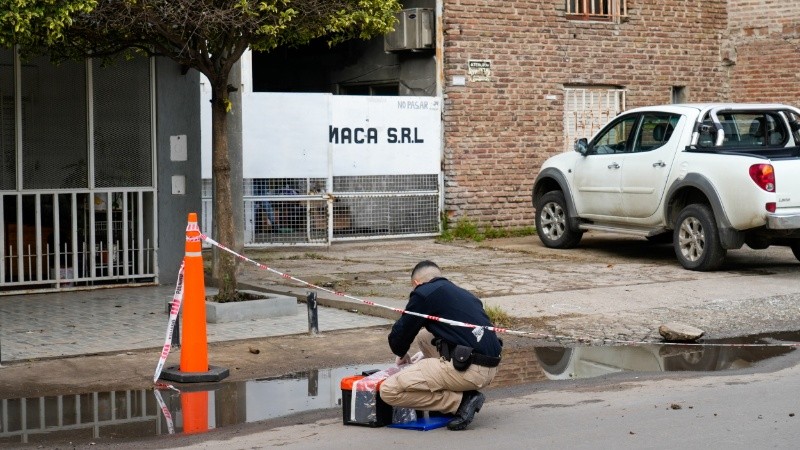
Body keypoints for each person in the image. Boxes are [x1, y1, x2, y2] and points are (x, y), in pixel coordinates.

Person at [379, 260, 502, 430]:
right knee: (424, 335)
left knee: (389, 391)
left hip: (471, 370)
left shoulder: (423, 293)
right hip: (490, 367)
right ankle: (456, 388)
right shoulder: (463, 293)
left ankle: (460, 401)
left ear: (416, 283)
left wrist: (401, 352)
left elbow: (399, 336)